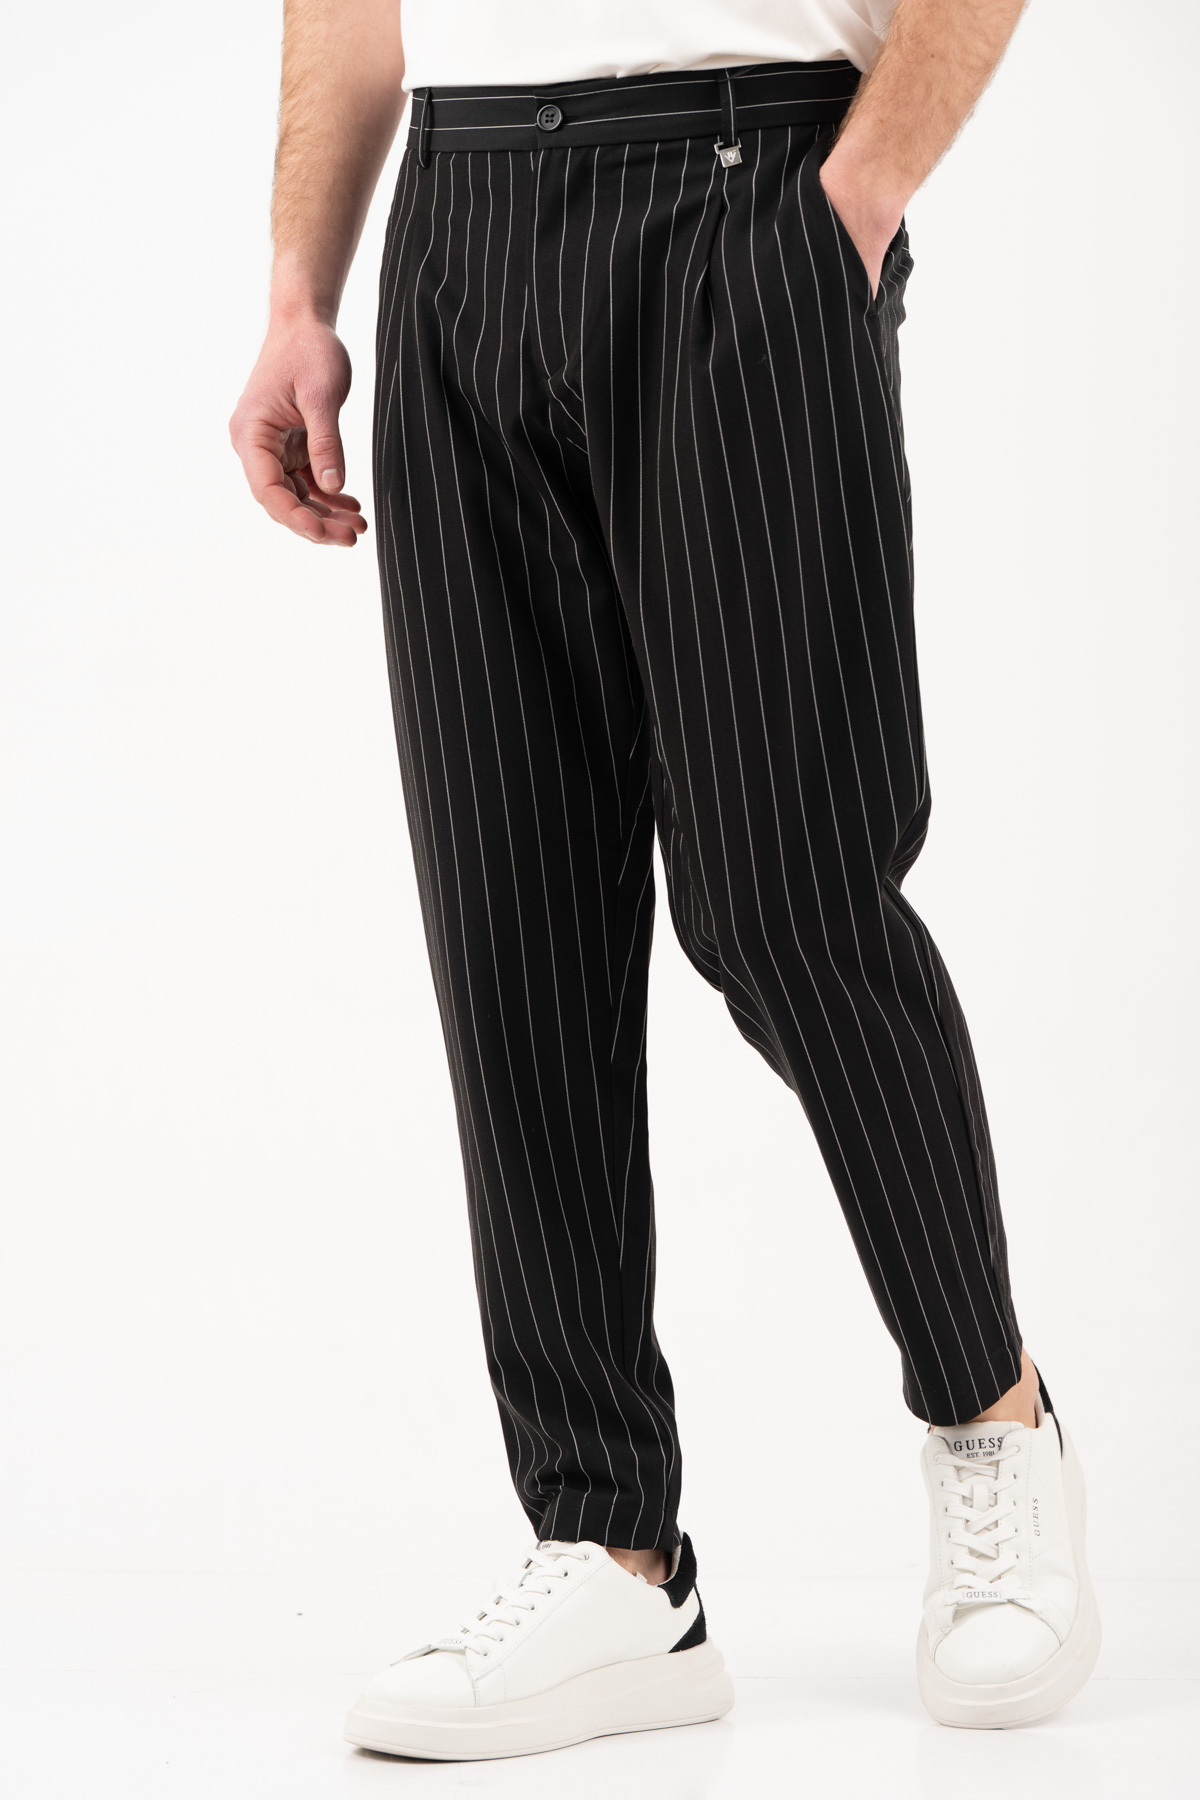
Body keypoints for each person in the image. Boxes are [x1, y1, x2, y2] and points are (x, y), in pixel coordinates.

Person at [231, 0, 1100, 1759]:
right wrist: (298, 294)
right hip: (462, 215)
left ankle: (994, 1422)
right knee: (513, 920)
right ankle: (613, 1550)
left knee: (789, 898)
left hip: (752, 182)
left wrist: (852, 202)